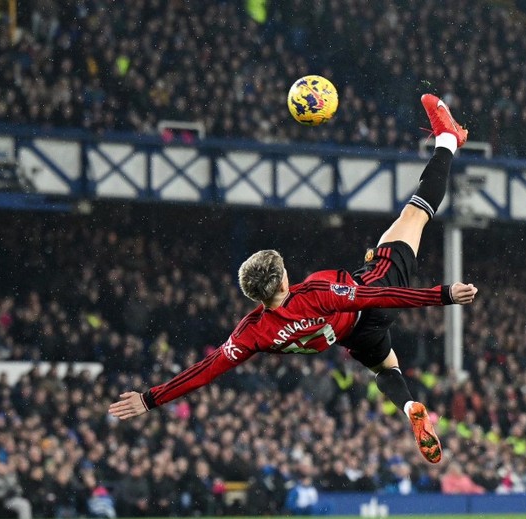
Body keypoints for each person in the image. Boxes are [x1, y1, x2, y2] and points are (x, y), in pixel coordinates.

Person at [110, 94, 474, 465]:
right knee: (415, 214)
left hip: (353, 336)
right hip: (373, 297)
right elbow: (374, 298)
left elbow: (204, 371)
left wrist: (150, 399)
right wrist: (443, 294)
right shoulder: (315, 291)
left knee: (385, 367)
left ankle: (409, 404)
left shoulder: (253, 332)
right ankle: (448, 138)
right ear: (284, 280)